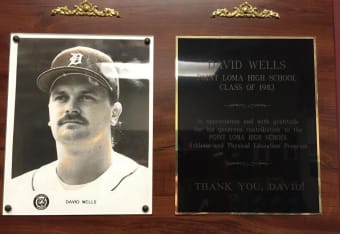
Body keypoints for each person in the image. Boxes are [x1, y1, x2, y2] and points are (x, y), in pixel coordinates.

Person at [12, 46, 149, 192]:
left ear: (114, 113)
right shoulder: (17, 189)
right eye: (61, 97)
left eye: (86, 97)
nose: (70, 107)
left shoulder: (145, 186)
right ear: (49, 111)